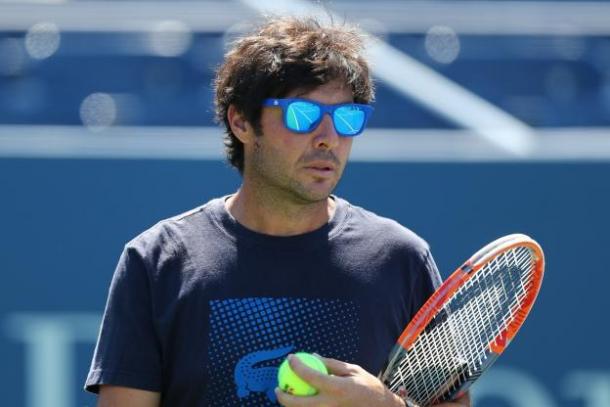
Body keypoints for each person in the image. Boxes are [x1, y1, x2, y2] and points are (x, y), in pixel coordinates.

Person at [85, 16, 470, 407]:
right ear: (241, 122)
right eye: (302, 115)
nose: (328, 139)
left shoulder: (402, 258)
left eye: (346, 118)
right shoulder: (155, 261)